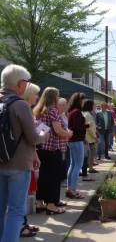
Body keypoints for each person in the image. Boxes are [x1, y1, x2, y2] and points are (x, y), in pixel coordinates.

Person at [0, 65, 49, 242]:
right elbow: (33, 137)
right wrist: (44, 135)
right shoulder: (20, 104)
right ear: (20, 83)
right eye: (26, 82)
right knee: (15, 212)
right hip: (19, 164)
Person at [33, 87, 72, 215]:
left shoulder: (39, 111)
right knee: (54, 176)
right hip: (54, 148)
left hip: (42, 147)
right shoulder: (53, 111)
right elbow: (58, 130)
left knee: (43, 175)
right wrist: (68, 133)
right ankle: (51, 204)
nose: (58, 98)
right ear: (53, 97)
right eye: (57, 96)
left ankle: (39, 202)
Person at [20, 83, 44, 237]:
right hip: (20, 160)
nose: (37, 96)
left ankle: (24, 223)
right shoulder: (24, 110)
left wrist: (35, 156)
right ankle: (21, 226)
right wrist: (42, 135)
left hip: (26, 157)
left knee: (23, 193)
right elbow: (31, 138)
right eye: (35, 94)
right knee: (19, 196)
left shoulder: (27, 110)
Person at [66, 93, 93, 199]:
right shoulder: (77, 112)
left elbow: (74, 127)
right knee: (78, 165)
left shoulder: (71, 111)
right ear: (78, 100)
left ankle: (69, 188)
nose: (83, 102)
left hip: (72, 140)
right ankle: (73, 190)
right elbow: (77, 127)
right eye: (82, 100)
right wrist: (87, 125)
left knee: (72, 165)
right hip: (76, 141)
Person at [82, 99, 98, 175]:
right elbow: (89, 127)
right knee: (89, 155)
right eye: (93, 105)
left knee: (91, 154)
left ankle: (90, 167)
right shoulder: (87, 115)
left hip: (90, 137)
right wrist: (95, 136)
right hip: (89, 138)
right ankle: (89, 168)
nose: (94, 106)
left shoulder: (87, 113)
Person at [57, 98, 69, 187]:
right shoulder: (57, 116)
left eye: (65, 104)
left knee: (64, 161)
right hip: (60, 143)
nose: (65, 106)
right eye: (63, 105)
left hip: (65, 142)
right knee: (61, 161)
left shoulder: (64, 115)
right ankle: (60, 180)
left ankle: (63, 179)